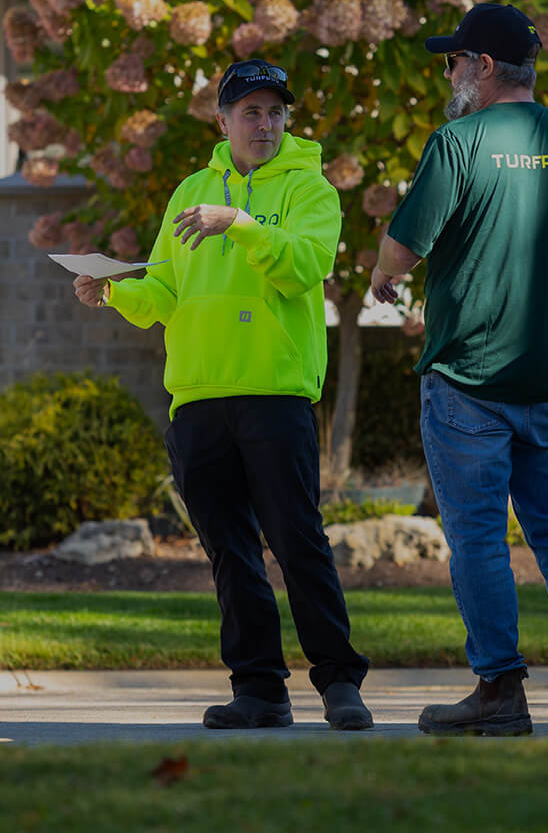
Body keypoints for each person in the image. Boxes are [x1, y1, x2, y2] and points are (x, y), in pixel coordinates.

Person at [74, 58, 372, 732]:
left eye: (275, 112)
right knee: (230, 554)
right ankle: (260, 691)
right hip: (199, 401)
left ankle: (339, 684)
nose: (265, 124)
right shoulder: (190, 191)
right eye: (251, 112)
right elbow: (164, 296)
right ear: (223, 120)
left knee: (298, 544)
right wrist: (112, 288)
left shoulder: (310, 189)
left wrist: (237, 221)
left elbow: (303, 268)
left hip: (275, 394)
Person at [370, 3, 548, 736]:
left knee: (480, 537)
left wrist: (381, 276)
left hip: (466, 381)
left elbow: (403, 248)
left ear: (484, 67)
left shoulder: (457, 143)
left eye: (455, 60)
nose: (451, 73)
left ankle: (500, 691)